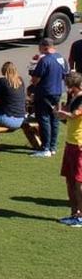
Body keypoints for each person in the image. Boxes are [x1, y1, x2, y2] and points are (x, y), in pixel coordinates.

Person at [30, 37, 68, 157]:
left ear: (45, 46)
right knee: (54, 119)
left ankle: (45, 148)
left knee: (44, 119)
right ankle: (52, 147)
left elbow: (35, 79)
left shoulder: (45, 60)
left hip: (44, 93)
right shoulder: (61, 58)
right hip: (58, 92)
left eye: (40, 47)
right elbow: (65, 75)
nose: (39, 50)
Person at [55, 72, 82, 226]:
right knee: (69, 180)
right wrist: (61, 114)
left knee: (79, 181)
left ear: (73, 86)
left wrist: (64, 114)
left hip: (79, 144)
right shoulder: (74, 98)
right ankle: (74, 213)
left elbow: (76, 114)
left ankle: (81, 215)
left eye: (68, 86)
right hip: (70, 143)